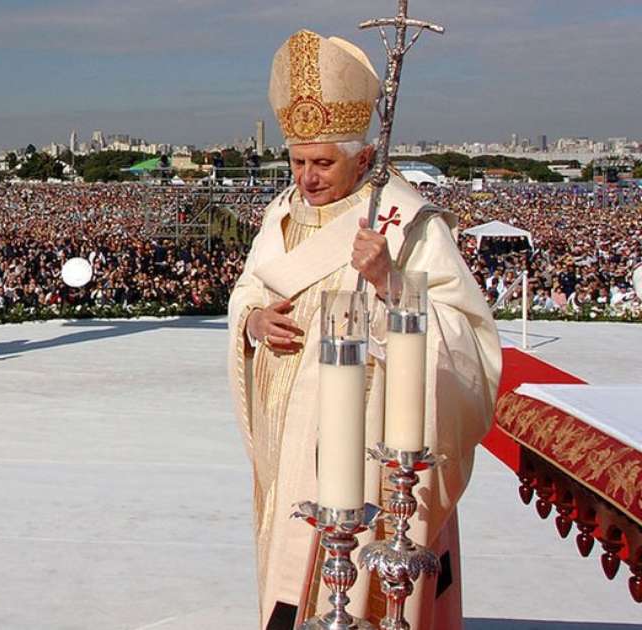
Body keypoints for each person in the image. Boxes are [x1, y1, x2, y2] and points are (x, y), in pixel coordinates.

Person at [227, 30, 501, 630]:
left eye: (323, 162)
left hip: (368, 436)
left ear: (364, 158)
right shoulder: (279, 213)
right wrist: (251, 321)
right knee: (286, 575)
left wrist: (388, 281)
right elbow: (250, 286)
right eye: (298, 161)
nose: (307, 178)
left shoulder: (407, 221)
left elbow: (467, 341)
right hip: (287, 441)